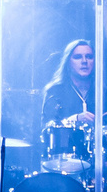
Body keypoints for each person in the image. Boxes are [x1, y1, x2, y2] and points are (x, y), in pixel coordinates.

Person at [40, 39, 102, 171]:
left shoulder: (104, 93)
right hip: (63, 162)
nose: (84, 61)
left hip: (98, 164)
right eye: (78, 57)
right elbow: (46, 127)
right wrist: (75, 119)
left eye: (89, 56)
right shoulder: (55, 92)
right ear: (68, 63)